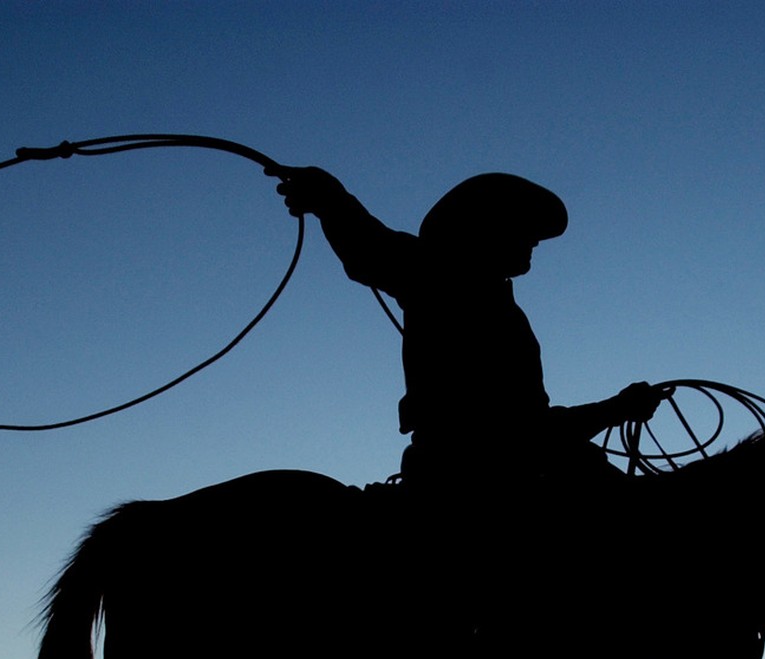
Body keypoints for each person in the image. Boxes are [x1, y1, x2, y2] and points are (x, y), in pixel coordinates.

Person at [271, 166, 662, 489]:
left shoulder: (501, 308)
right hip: (467, 480)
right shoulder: (442, 275)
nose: (535, 243)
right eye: (524, 231)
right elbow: (373, 248)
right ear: (487, 231)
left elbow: (527, 427)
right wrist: (330, 199)